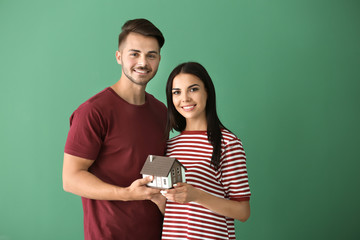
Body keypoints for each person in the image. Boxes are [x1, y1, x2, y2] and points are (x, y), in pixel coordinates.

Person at [62, 18, 167, 240]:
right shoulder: (93, 111)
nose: (143, 62)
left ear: (159, 59)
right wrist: (127, 194)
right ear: (119, 57)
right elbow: (71, 178)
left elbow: (156, 172)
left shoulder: (161, 112)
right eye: (134, 53)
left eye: (151, 55)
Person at [159, 62, 251, 240]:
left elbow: (243, 212)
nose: (184, 98)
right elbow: (176, 211)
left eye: (193, 89)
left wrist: (197, 195)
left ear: (207, 92)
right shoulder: (170, 146)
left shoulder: (228, 144)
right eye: (176, 92)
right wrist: (156, 198)